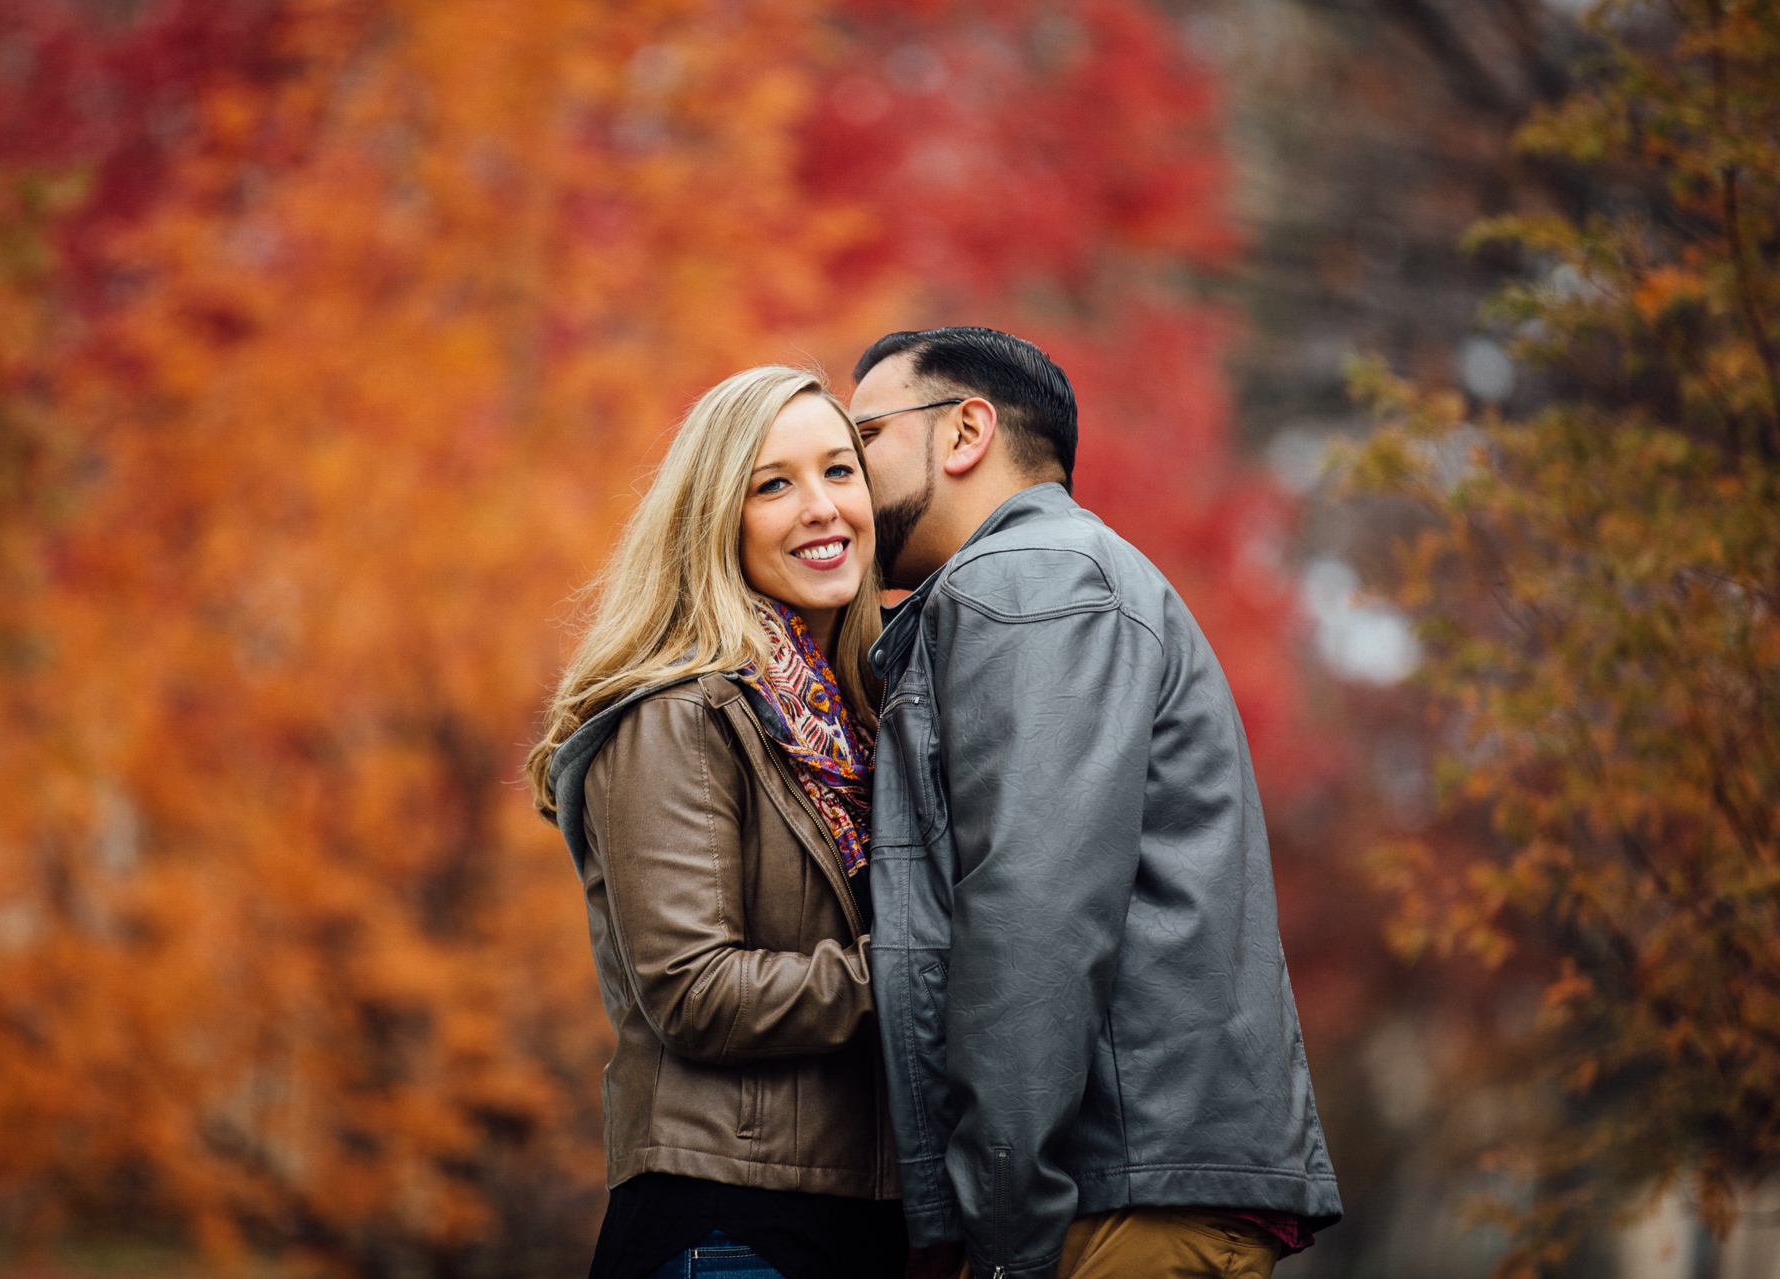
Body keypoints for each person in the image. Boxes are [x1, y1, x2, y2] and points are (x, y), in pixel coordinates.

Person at [846, 328, 1341, 1279]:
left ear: (965, 433)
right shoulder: (1060, 577)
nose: (843, 487)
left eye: (862, 438)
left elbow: (1033, 919)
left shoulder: (1027, 583)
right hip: (1127, 1187)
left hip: (1107, 1204)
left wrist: (998, 1239)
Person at [526, 366, 907, 1279]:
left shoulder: (855, 721)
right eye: (773, 484)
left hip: (854, 1214)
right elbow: (696, 990)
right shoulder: (681, 713)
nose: (820, 506)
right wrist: (919, 967)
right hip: (730, 1226)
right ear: (713, 521)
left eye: (839, 471)